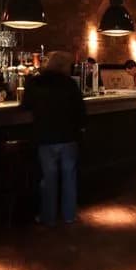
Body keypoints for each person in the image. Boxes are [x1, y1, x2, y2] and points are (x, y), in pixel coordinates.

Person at [21, 51, 87, 226]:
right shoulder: (70, 84)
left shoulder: (35, 82)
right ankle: (69, 215)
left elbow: (25, 106)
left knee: (48, 179)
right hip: (68, 137)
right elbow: (80, 110)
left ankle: (48, 217)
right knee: (69, 178)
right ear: (65, 66)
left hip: (45, 137)